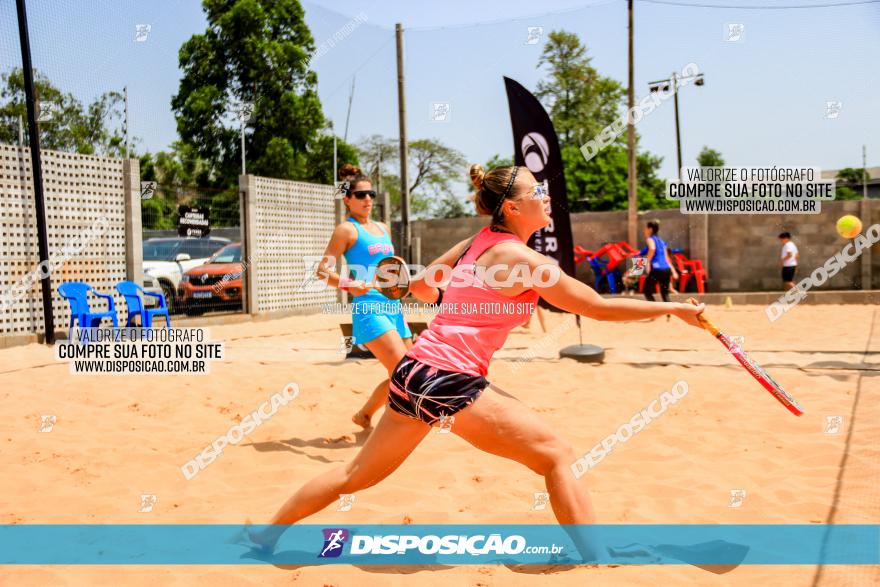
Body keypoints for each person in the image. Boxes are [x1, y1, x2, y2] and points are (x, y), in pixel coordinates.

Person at [249, 164, 706, 562]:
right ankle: (599, 558)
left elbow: (423, 289)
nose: (546, 196)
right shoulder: (525, 260)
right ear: (511, 207)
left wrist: (395, 280)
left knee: (353, 476)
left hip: (413, 372)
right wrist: (674, 309)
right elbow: (595, 307)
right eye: (536, 193)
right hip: (451, 381)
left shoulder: (476, 242)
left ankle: (267, 537)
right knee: (557, 456)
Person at [317, 164, 412, 429]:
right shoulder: (346, 230)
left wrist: (399, 268)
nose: (368, 198)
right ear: (347, 200)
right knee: (403, 371)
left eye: (371, 193)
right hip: (368, 308)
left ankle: (365, 415)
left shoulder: (382, 227)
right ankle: (390, 426)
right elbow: (322, 271)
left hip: (394, 306)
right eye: (361, 195)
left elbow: (388, 263)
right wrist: (349, 284)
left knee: (411, 372)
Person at [643, 220, 679, 307]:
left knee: (647, 291)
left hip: (657, 269)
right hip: (666, 269)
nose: (644, 230)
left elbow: (652, 248)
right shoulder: (662, 241)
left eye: (646, 228)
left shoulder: (650, 239)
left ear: (650, 229)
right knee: (665, 293)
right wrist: (673, 271)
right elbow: (666, 258)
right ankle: (669, 313)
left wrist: (647, 262)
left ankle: (654, 311)